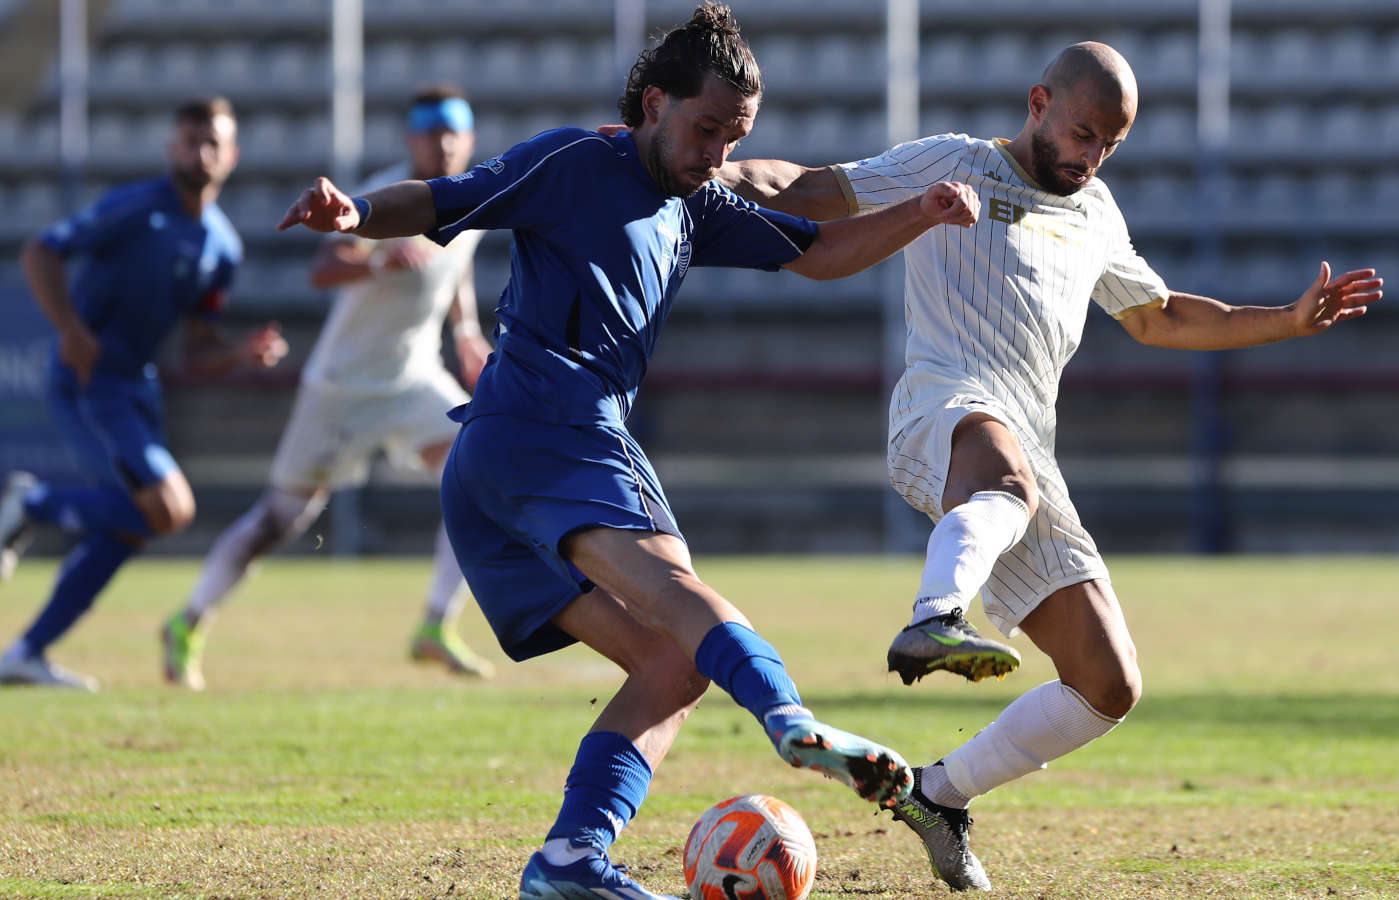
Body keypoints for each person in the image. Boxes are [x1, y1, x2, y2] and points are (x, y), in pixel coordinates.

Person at [276, 6, 978, 898]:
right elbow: (443, 200)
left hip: (494, 469)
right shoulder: (573, 162)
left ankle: (570, 859)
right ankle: (790, 719)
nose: (717, 153)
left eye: (734, 138)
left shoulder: (696, 205)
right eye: (706, 128)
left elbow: (822, 253)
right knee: (680, 597)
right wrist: (361, 211)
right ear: (654, 103)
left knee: (670, 662)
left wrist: (921, 212)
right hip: (553, 432)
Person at [719, 42, 1383, 891]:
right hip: (942, 409)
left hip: (1027, 462)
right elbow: (807, 187)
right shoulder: (954, 162)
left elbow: (1159, 317)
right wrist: (699, 170)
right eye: (1082, 132)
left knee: (1108, 682)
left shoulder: (1095, 211)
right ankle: (934, 615)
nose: (1092, 155)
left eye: (1110, 143)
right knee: (1006, 480)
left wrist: (1286, 320)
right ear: (1038, 104)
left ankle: (938, 795)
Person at [160, 86, 497, 690]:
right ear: (411, 139)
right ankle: (187, 621)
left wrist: (466, 330)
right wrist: (377, 262)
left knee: (485, 477)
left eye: (454, 132)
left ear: (469, 138)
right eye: (432, 132)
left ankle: (435, 624)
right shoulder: (386, 195)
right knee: (282, 519)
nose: (444, 144)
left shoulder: (470, 195)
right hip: (344, 386)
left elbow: (458, 263)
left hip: (414, 377)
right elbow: (323, 269)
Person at [0, 97, 287, 691]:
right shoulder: (135, 207)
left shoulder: (222, 247)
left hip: (138, 388)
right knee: (171, 509)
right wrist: (72, 331)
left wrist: (239, 354)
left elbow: (197, 350)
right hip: (90, 381)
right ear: (171, 147)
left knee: (132, 525)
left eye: (212, 143)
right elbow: (40, 251)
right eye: (190, 140)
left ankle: (26, 652)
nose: (200, 152)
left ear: (232, 155)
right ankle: (31, 506)